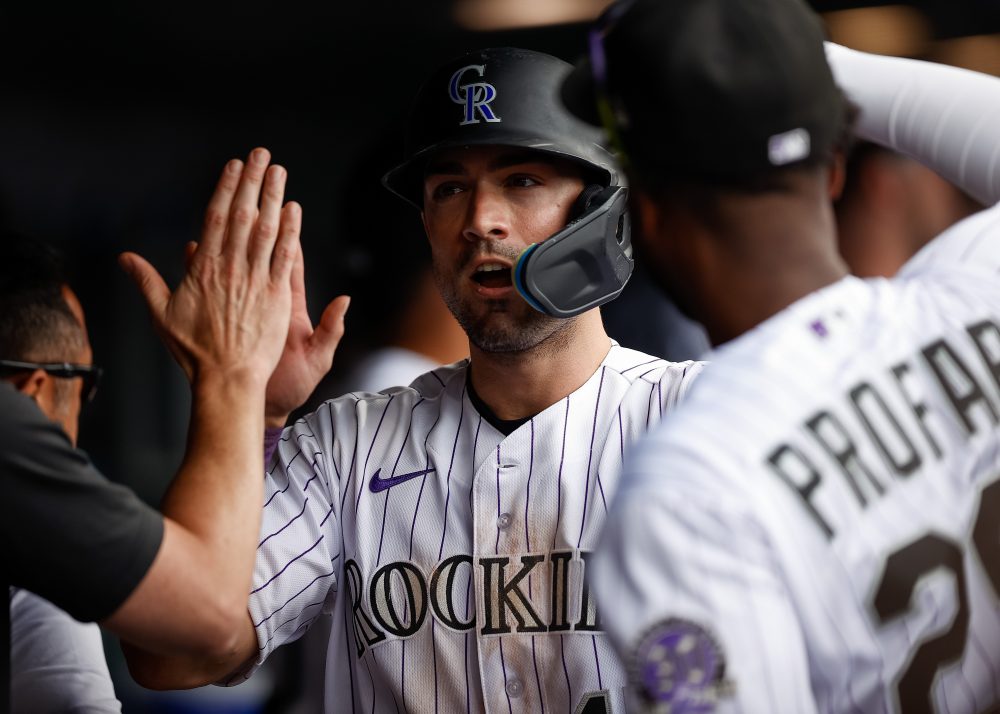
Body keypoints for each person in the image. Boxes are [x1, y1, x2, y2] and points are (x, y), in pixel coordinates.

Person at [123, 47, 704, 713]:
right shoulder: (346, 444)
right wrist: (238, 398)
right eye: (449, 189)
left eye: (522, 181)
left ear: (604, 213)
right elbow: (171, 653)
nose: (479, 220)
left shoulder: (698, 419)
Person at [560, 0, 1000, 711]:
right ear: (834, 170)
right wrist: (807, 75)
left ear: (647, 211)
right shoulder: (978, 288)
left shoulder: (686, 487)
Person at [0, 147, 347, 713]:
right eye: (84, 383)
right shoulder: (12, 446)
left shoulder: (32, 563)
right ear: (31, 392)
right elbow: (197, 626)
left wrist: (255, 414)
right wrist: (231, 372)